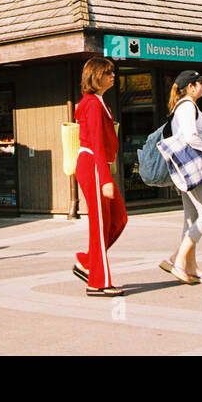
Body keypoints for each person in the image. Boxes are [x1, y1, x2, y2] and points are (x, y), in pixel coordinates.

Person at [159, 70, 202, 285]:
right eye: (200, 83)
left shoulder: (182, 107)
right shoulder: (188, 106)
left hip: (185, 168)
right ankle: (178, 260)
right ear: (190, 87)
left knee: (190, 218)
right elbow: (190, 137)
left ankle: (189, 265)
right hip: (191, 168)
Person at [73, 56, 126, 296]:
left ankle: (88, 262)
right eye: (108, 72)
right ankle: (98, 281)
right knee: (101, 223)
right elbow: (95, 142)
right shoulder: (93, 104)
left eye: (112, 72)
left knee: (119, 218)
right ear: (96, 76)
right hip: (94, 165)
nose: (113, 75)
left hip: (98, 165)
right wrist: (105, 178)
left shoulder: (99, 102)